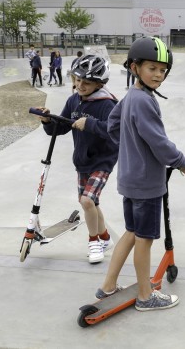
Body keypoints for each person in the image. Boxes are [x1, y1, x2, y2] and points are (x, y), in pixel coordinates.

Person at [99, 36, 185, 311]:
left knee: (131, 232)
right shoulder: (145, 101)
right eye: (152, 68)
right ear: (135, 68)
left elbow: (112, 124)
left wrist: (130, 148)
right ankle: (146, 296)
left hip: (130, 179)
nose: (158, 74)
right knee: (144, 239)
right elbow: (158, 142)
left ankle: (107, 286)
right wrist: (184, 163)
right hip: (146, 184)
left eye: (162, 70)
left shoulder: (131, 96)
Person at [34, 54, 118, 264]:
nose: (80, 85)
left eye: (86, 82)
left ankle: (94, 242)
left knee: (87, 201)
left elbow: (114, 131)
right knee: (91, 203)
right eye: (77, 79)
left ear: (99, 84)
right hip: (82, 160)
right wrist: (47, 119)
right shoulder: (73, 101)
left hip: (102, 160)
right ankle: (105, 237)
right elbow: (59, 128)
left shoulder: (107, 104)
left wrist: (89, 124)